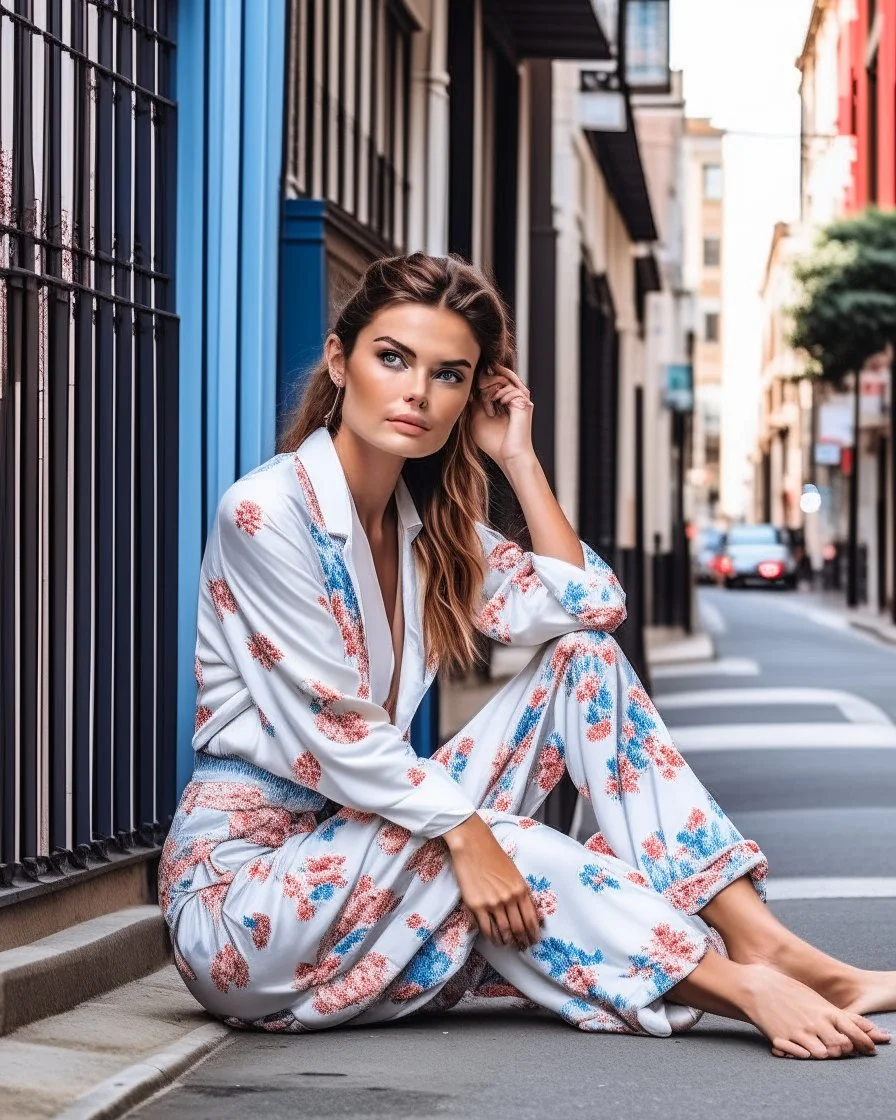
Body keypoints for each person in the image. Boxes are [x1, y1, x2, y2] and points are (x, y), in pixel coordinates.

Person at [160, 253, 895, 1058]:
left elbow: (592, 609)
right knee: (505, 843)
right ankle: (739, 985)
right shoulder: (265, 513)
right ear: (340, 362)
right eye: (392, 358)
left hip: (379, 845)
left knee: (582, 661)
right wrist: (470, 837)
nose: (417, 392)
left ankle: (762, 941)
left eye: (449, 375)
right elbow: (339, 736)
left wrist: (518, 458)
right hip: (251, 905)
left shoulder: (421, 528)